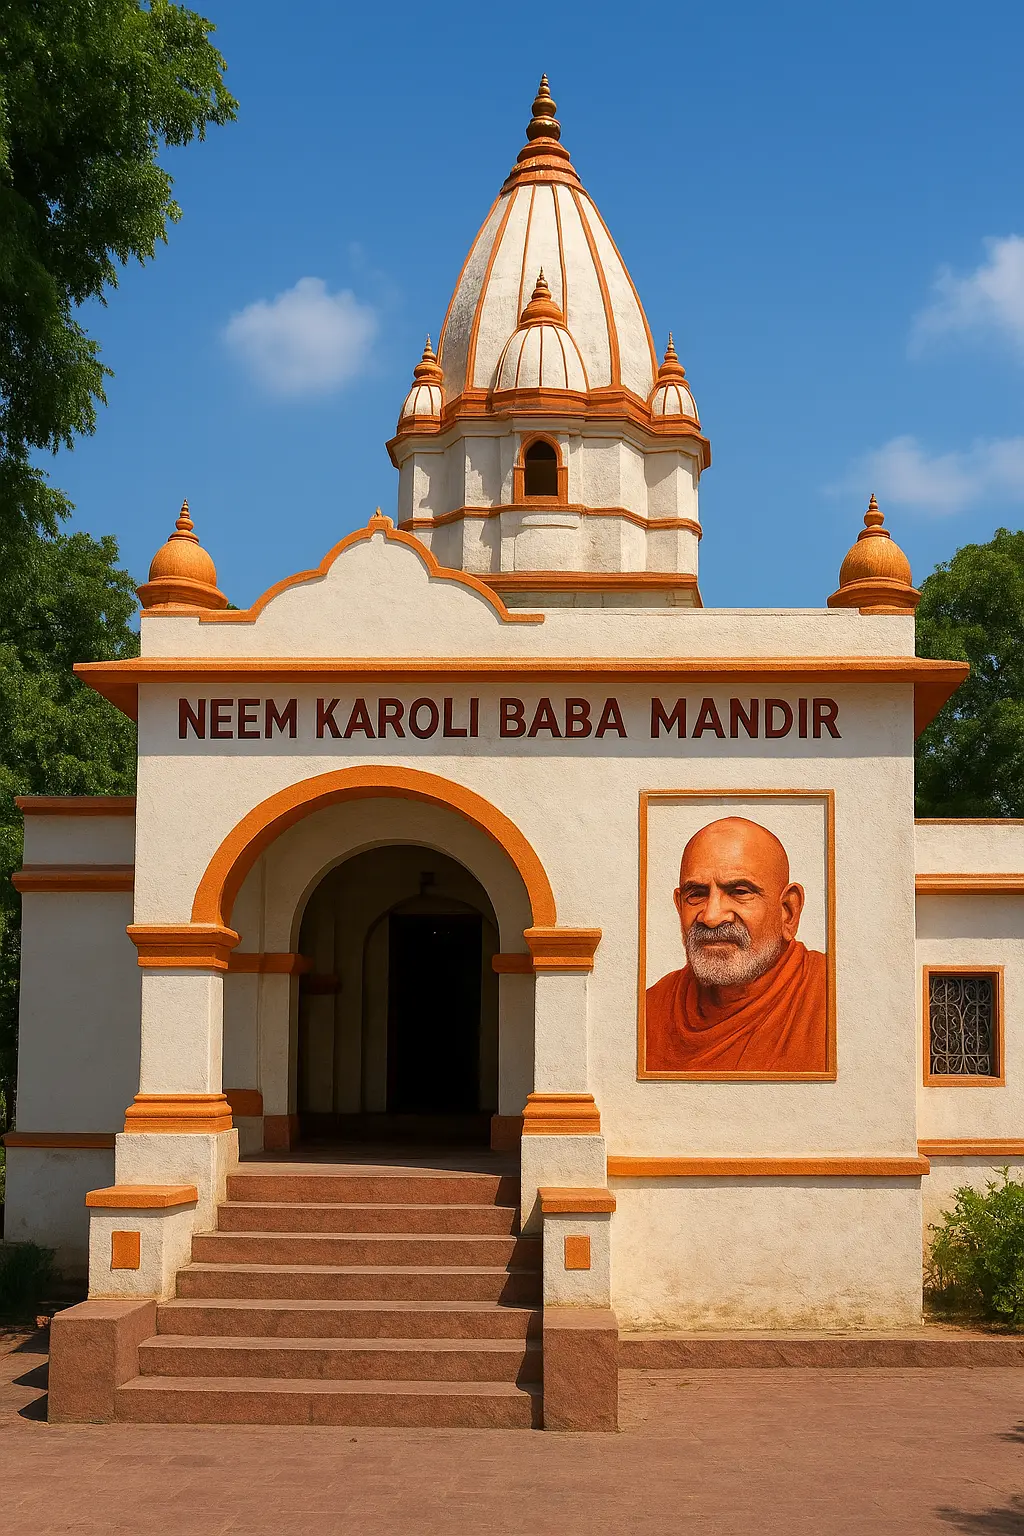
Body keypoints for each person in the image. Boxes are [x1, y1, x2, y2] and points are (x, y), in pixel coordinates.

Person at [644, 816, 827, 1073]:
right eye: (696, 894)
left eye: (740, 892)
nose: (711, 916)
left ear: (788, 911)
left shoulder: (832, 995)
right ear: (679, 904)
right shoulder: (652, 1009)